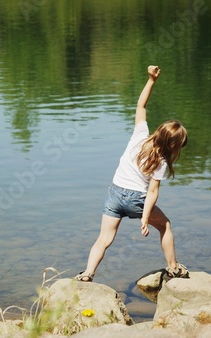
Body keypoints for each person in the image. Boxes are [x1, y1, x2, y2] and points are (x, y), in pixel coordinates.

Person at [75, 65, 189, 283]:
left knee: (104, 238)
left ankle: (87, 273)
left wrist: (151, 80)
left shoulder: (139, 136)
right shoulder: (162, 161)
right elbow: (153, 192)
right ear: (173, 146)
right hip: (137, 199)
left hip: (115, 194)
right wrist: (145, 218)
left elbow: (141, 105)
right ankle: (173, 268)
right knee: (165, 225)